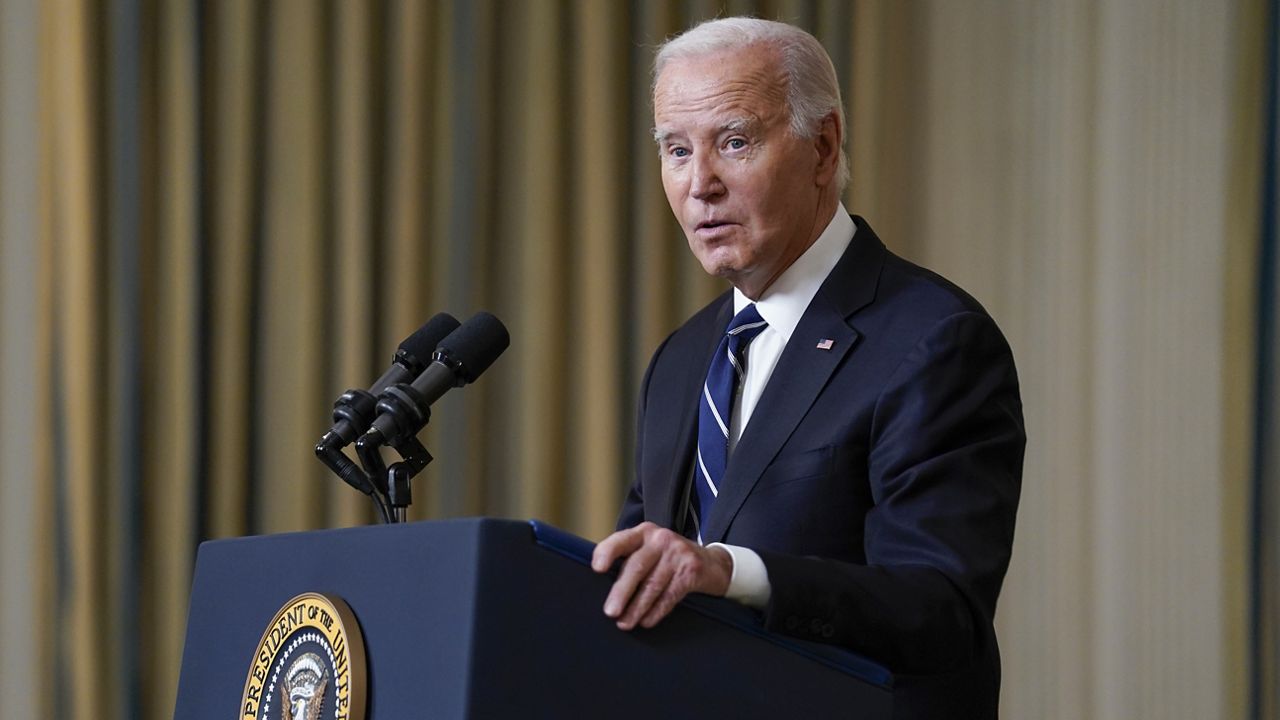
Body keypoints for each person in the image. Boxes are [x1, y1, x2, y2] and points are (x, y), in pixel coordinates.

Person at [590, 17, 1025, 718]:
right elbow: (652, 573)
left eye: (734, 142)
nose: (700, 184)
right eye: (677, 150)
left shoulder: (933, 342)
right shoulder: (681, 359)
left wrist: (734, 574)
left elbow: (941, 608)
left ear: (823, 148)